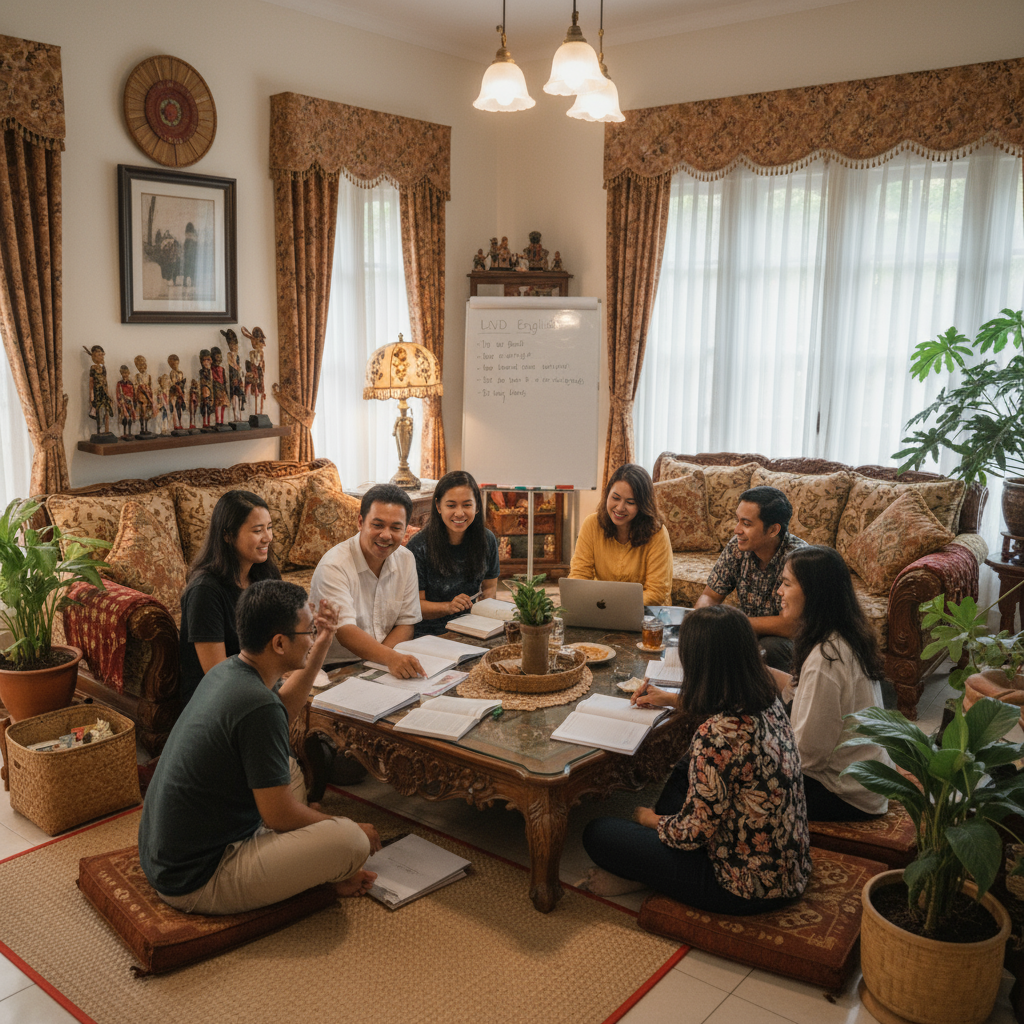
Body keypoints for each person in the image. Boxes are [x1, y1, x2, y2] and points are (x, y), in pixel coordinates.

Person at [139, 580, 380, 914]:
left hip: (166, 858)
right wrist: (348, 829)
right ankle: (334, 860)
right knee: (351, 842)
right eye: (309, 631)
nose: (311, 636)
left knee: (291, 770)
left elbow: (280, 712)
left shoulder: (229, 670)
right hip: (199, 878)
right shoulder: (257, 705)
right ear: (279, 643)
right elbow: (278, 816)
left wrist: (322, 642)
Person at [579, 605, 812, 912]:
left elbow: (692, 833)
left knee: (598, 834)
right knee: (684, 768)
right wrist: (668, 698)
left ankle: (645, 875)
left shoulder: (716, 735)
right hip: (788, 867)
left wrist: (650, 820)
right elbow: (720, 702)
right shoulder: (767, 697)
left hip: (740, 886)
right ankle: (652, 868)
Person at [776, 545, 890, 821]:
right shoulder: (840, 636)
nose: (778, 591)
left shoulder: (826, 658)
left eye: (786, 584)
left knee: (731, 777)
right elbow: (798, 691)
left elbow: (807, 756)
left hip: (844, 793)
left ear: (814, 594)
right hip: (863, 780)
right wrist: (754, 669)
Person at [309, 483, 424, 678]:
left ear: (405, 529)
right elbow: (344, 631)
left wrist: (382, 661)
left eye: (396, 527)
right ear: (360, 522)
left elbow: (406, 623)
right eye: (377, 525)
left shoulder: (406, 558)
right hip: (334, 668)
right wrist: (389, 659)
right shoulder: (334, 565)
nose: (386, 535)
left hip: (380, 662)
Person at [179, 490, 281, 705]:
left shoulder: (266, 573)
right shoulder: (204, 590)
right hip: (218, 697)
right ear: (228, 535)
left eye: (269, 528)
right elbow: (217, 672)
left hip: (265, 679)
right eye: (257, 530)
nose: (268, 537)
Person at [697, 485, 807, 670]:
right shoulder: (737, 547)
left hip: (787, 642)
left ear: (773, 530)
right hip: (748, 632)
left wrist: (735, 624)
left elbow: (793, 626)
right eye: (737, 520)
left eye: (746, 524)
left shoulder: (798, 559)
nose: (736, 530)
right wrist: (699, 619)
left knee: (769, 648)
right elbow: (710, 596)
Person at [406, 472, 500, 637]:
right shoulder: (419, 546)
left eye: (466, 505)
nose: (459, 513)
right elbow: (414, 606)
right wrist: (448, 607)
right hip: (429, 634)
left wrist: (485, 616)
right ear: (438, 506)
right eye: (451, 505)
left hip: (471, 627)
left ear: (477, 506)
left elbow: (490, 587)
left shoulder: (487, 540)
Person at [568, 464, 672, 606]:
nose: (620, 508)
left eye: (630, 502)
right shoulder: (591, 524)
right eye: (615, 498)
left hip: (647, 610)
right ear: (607, 494)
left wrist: (613, 604)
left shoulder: (657, 533)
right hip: (603, 606)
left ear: (642, 505)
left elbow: (657, 592)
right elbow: (579, 576)